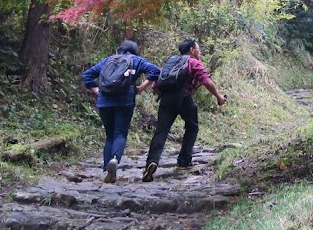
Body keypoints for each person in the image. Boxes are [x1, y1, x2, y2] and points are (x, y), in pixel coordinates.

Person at [141, 38, 227, 182]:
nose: (199, 51)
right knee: (192, 127)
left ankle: (151, 162)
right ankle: (184, 162)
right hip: (183, 96)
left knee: (161, 131)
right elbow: (206, 81)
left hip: (166, 98)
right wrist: (219, 97)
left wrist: (165, 96)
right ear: (192, 50)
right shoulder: (193, 62)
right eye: (198, 49)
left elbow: (155, 85)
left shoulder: (171, 61)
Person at [81, 40, 161, 183]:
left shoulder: (108, 60)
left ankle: (106, 170)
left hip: (104, 101)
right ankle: (115, 159)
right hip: (125, 101)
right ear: (135, 50)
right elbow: (156, 71)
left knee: (109, 136)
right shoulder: (136, 60)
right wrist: (141, 88)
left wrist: (96, 90)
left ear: (120, 49)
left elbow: (87, 75)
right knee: (120, 133)